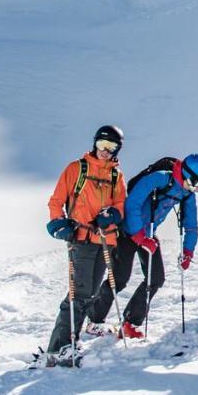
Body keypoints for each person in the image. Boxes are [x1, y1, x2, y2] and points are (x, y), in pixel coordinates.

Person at [88, 153, 198, 339]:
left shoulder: (186, 194)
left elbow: (191, 225)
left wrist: (188, 251)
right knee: (120, 279)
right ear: (188, 175)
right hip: (128, 231)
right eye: (197, 184)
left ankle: (131, 323)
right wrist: (139, 236)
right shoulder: (160, 178)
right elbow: (132, 204)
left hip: (148, 234)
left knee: (156, 279)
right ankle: (94, 320)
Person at [40, 124, 128, 367]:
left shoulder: (115, 175)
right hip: (81, 240)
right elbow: (56, 201)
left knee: (89, 295)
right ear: (94, 144)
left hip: (105, 241)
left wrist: (113, 214)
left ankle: (72, 341)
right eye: (101, 145)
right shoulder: (76, 169)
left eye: (111, 147)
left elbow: (121, 204)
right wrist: (58, 224)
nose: (105, 151)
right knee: (78, 295)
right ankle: (58, 349)